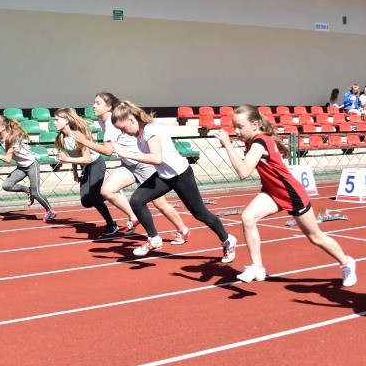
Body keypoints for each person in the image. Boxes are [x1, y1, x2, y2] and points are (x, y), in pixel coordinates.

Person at [212, 105, 357, 285]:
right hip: (272, 192)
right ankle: (257, 266)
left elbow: (243, 172)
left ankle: (346, 263)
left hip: (291, 193)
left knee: (315, 237)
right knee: (248, 217)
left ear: (255, 125)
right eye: (234, 126)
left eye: (240, 126)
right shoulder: (251, 141)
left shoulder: (259, 142)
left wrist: (227, 145)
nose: (236, 131)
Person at [111, 100, 237, 261]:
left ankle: (227, 239)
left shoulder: (150, 130)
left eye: (123, 128)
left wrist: (126, 153)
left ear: (131, 119)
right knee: (136, 200)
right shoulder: (139, 132)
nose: (123, 132)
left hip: (180, 174)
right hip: (164, 176)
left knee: (200, 213)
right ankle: (154, 239)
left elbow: (156, 158)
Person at [68, 92, 191, 243]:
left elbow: (108, 151)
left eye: (98, 103)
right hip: (128, 165)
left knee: (160, 204)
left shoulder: (111, 123)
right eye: (94, 102)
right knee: (107, 190)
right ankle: (134, 217)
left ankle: (183, 229)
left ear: (109, 107)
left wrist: (84, 141)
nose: (93, 106)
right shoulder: (103, 121)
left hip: (144, 164)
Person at [53, 108, 117, 236]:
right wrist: (74, 172)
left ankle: (111, 224)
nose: (54, 122)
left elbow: (87, 159)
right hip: (85, 166)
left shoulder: (78, 135)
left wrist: (66, 159)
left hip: (96, 163)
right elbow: (75, 155)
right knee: (86, 202)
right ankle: (106, 194)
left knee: (94, 197)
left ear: (66, 120)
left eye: (56, 120)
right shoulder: (61, 138)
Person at [0, 115, 56, 222]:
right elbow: (16, 145)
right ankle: (28, 191)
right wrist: (22, 146)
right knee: (7, 185)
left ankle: (50, 211)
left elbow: (8, 160)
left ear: (3, 127)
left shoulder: (10, 139)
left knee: (36, 193)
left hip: (31, 165)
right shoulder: (0, 137)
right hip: (21, 167)